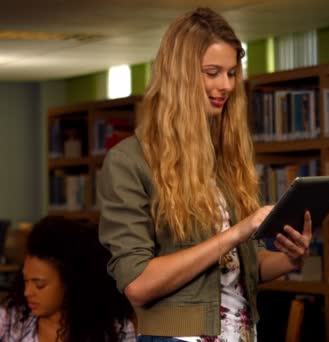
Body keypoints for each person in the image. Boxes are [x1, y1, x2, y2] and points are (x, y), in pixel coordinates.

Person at [97, 7, 312, 341]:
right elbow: (137, 284)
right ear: (179, 76)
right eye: (212, 72)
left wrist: (290, 258)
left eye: (230, 73)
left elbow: (244, 270)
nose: (225, 85)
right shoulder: (129, 161)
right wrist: (237, 232)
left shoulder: (224, 156)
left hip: (241, 332)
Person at [0, 216, 135, 342]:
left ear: (71, 283)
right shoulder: (9, 320)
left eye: (39, 284)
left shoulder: (116, 330)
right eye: (25, 281)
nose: (27, 292)